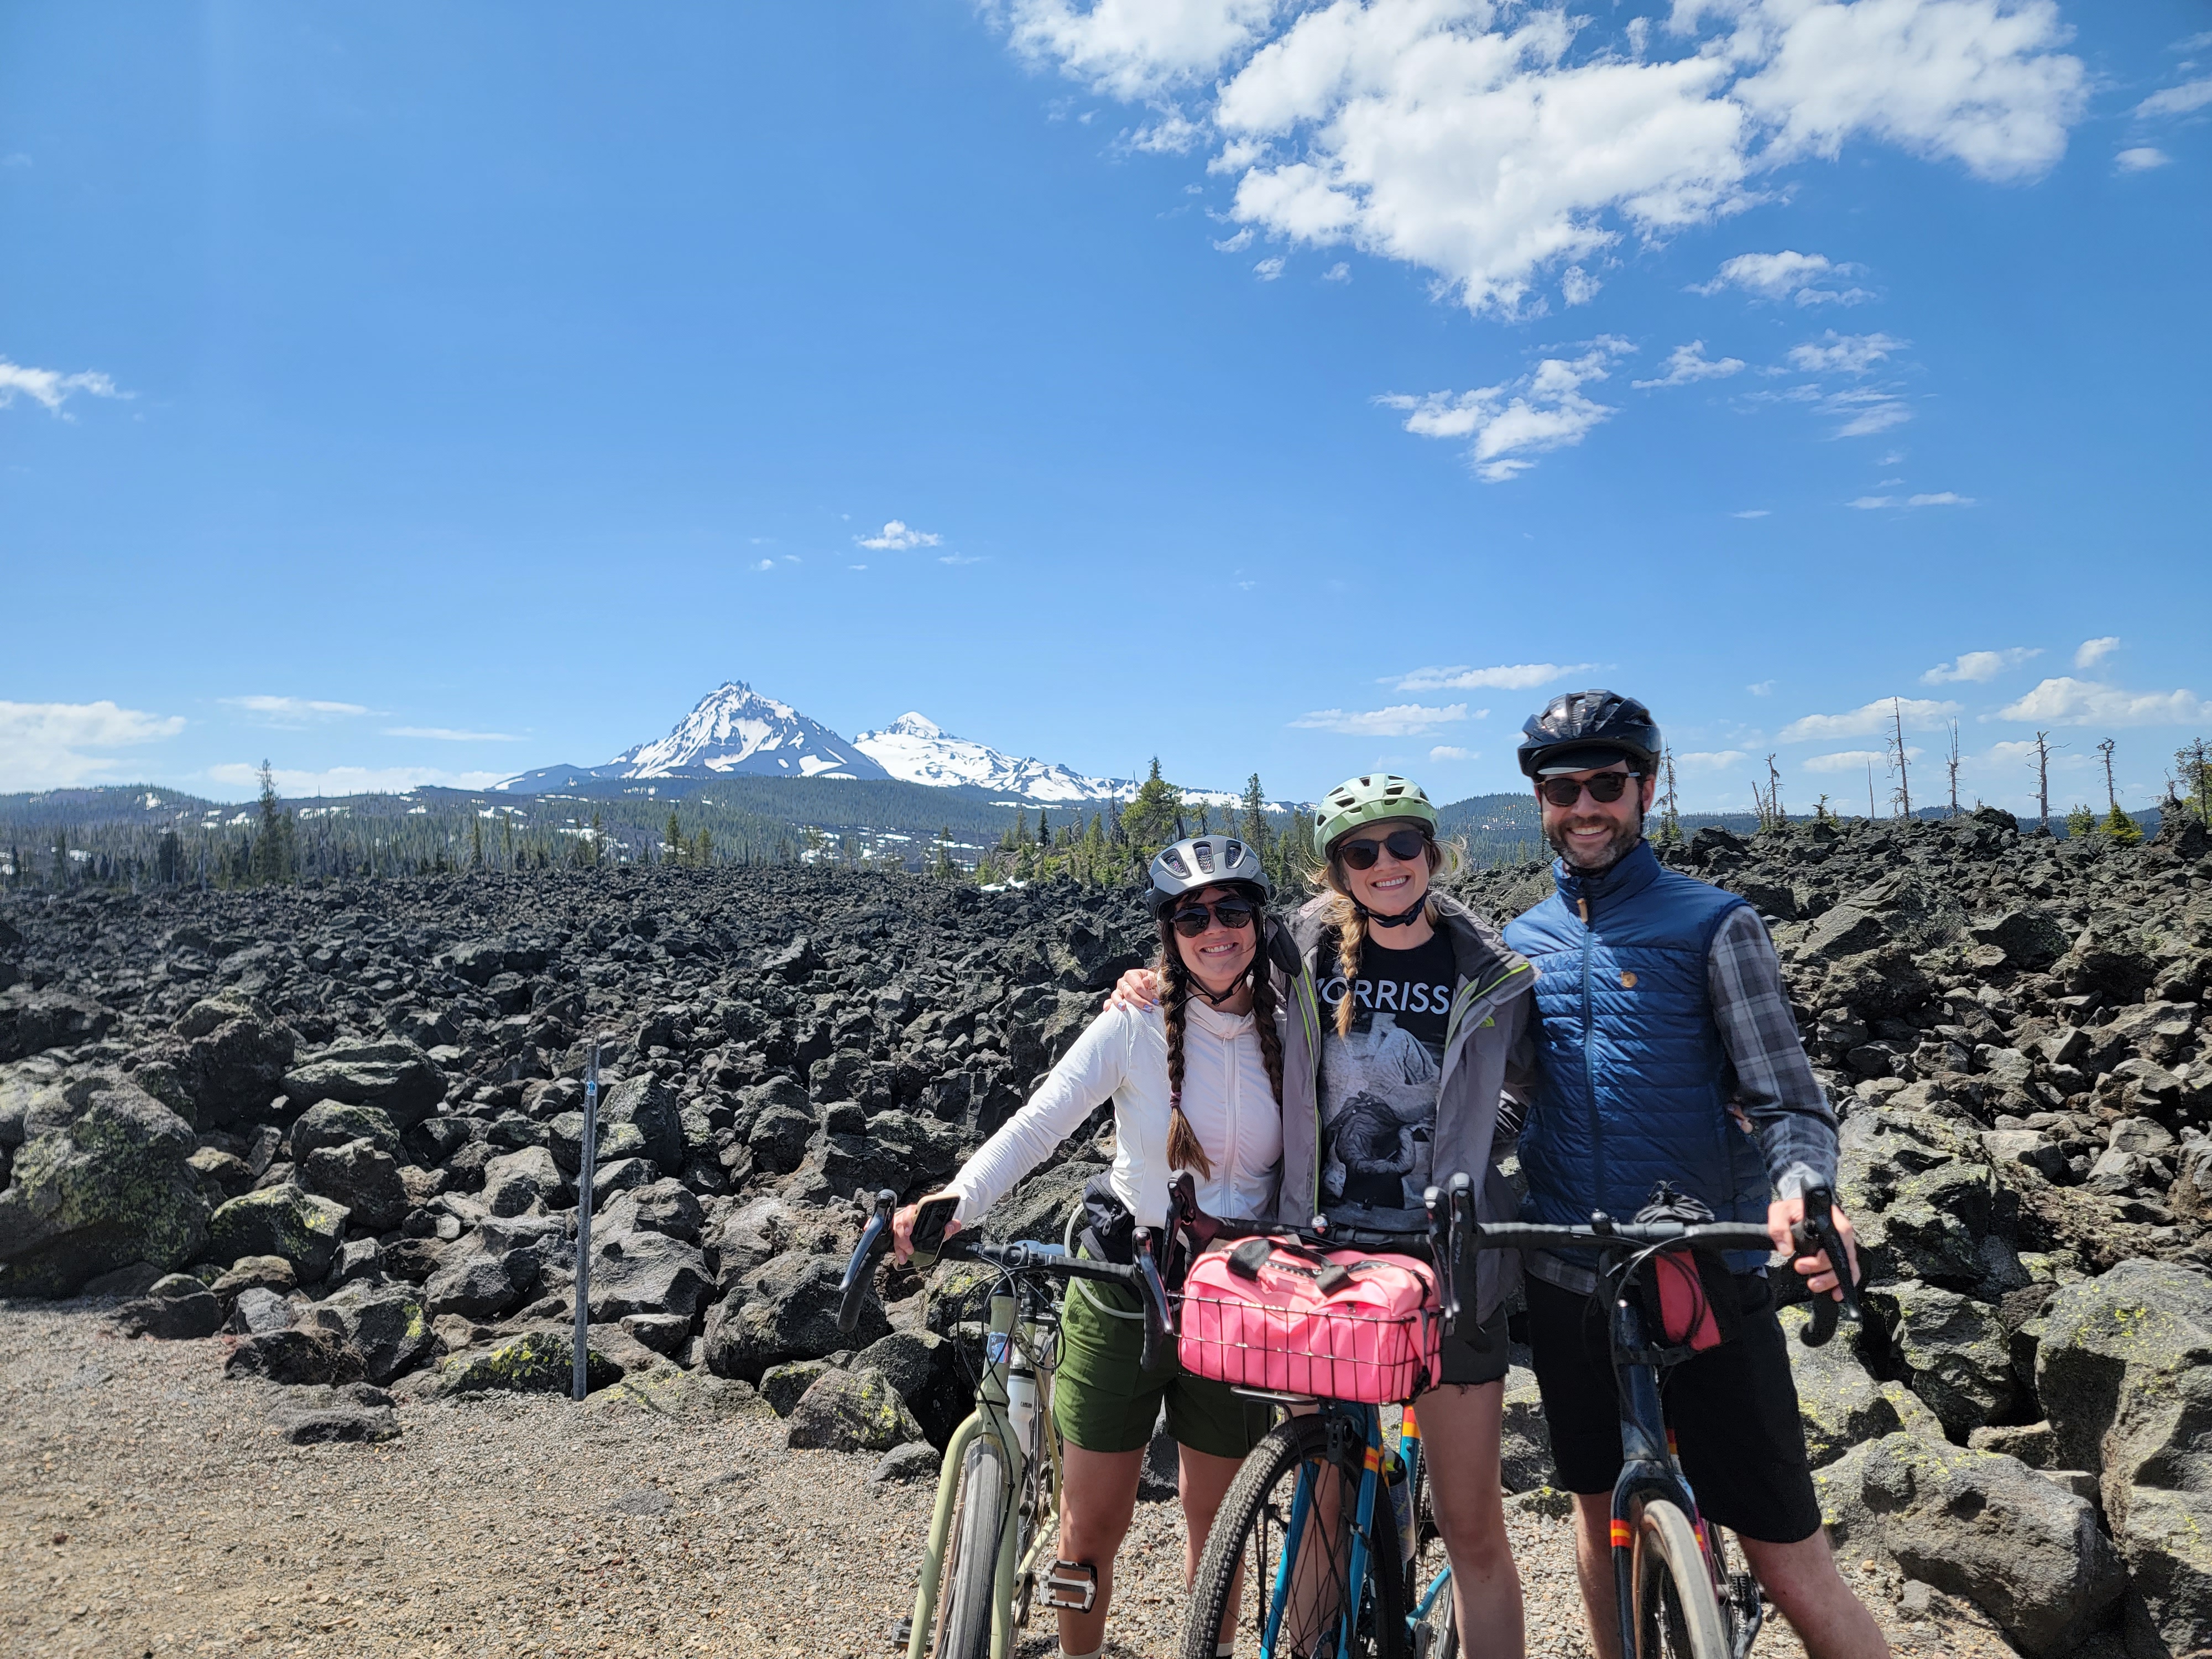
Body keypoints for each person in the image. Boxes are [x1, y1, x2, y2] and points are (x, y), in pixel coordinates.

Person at [1501, 690, 1889, 1659]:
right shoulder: (1521, 945)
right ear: (1540, 800)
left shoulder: (1716, 925)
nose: (1584, 807)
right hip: (1567, 1272)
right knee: (1601, 1522)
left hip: (1702, 1268)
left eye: (1606, 784)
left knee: (1788, 1556)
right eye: (1563, 788)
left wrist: (1804, 1189)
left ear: (1646, 789)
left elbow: (1787, 1101)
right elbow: (1510, 1099)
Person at [1114, 774, 1536, 1657]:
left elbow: (1530, 1086)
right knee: (1319, 1503)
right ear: (1337, 869)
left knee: (1472, 1528)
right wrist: (1141, 989)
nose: (1386, 865)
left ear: (1435, 851)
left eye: (1403, 845)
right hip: (1324, 1259)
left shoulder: (1491, 971)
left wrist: (1470, 1136)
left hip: (1450, 1264)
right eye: (1361, 851)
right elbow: (1212, 966)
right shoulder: (1301, 948)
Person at [890, 834, 1307, 1659]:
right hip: (1124, 1284)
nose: (1214, 930)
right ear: (1169, 931)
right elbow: (1042, 1122)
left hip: (1232, 1298)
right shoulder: (1133, 1023)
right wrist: (957, 1201)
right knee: (1092, 1526)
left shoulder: (1294, 1030)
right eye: (1193, 915)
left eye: (1232, 911)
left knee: (1216, 1532)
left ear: (1260, 923)